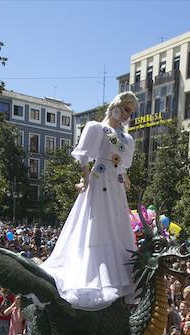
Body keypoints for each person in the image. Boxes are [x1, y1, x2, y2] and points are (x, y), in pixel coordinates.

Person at [41, 91, 139, 310]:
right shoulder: (96, 127)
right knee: (98, 225)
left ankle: (117, 276)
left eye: (130, 112)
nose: (126, 115)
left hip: (116, 186)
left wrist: (126, 180)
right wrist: (84, 179)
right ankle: (95, 274)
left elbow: (123, 165)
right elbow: (84, 156)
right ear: (116, 105)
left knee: (117, 226)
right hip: (100, 180)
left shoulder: (127, 139)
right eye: (125, 109)